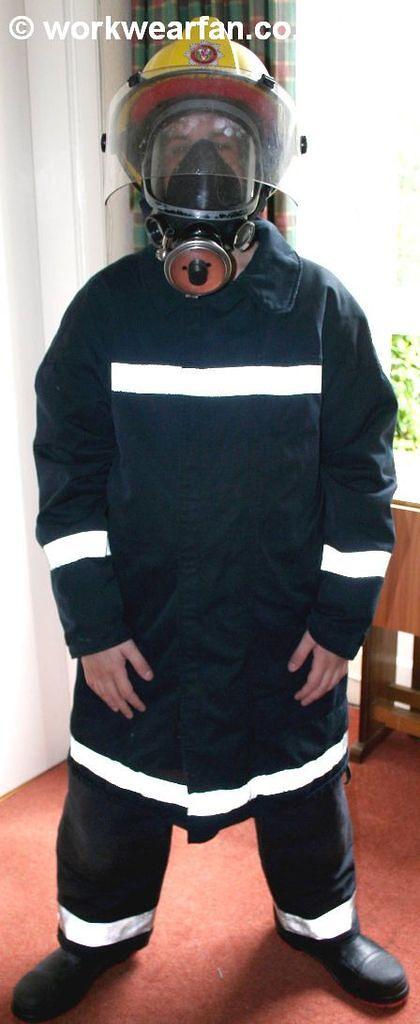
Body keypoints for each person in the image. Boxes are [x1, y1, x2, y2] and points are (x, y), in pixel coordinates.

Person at [12, 17, 409, 1022]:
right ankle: (94, 937)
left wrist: (339, 624)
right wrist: (93, 626)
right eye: (179, 136)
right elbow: (68, 477)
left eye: (224, 138)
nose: (201, 159)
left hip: (284, 631)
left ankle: (322, 926)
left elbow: (362, 475)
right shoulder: (104, 312)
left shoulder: (322, 312)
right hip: (138, 632)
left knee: (306, 791)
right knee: (110, 800)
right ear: (142, 161)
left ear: (262, 160)